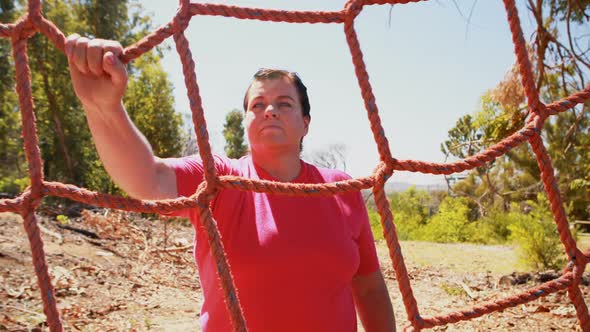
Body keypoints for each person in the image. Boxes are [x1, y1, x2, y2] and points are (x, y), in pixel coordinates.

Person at [65, 34, 396, 332]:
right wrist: (104, 109)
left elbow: (369, 288)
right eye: (258, 105)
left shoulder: (341, 189)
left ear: (305, 123)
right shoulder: (218, 180)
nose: (270, 111)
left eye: (284, 104)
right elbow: (149, 178)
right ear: (246, 122)